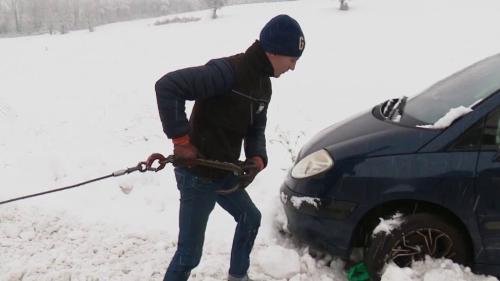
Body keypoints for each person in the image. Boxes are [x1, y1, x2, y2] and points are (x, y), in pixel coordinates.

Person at [153, 14, 305, 281]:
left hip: (222, 171)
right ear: (275, 51)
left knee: (250, 218)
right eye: (292, 59)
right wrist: (181, 141)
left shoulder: (263, 85)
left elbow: (256, 127)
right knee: (189, 255)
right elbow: (168, 86)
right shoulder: (226, 72)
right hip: (197, 174)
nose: (293, 68)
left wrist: (257, 158)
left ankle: (238, 276)